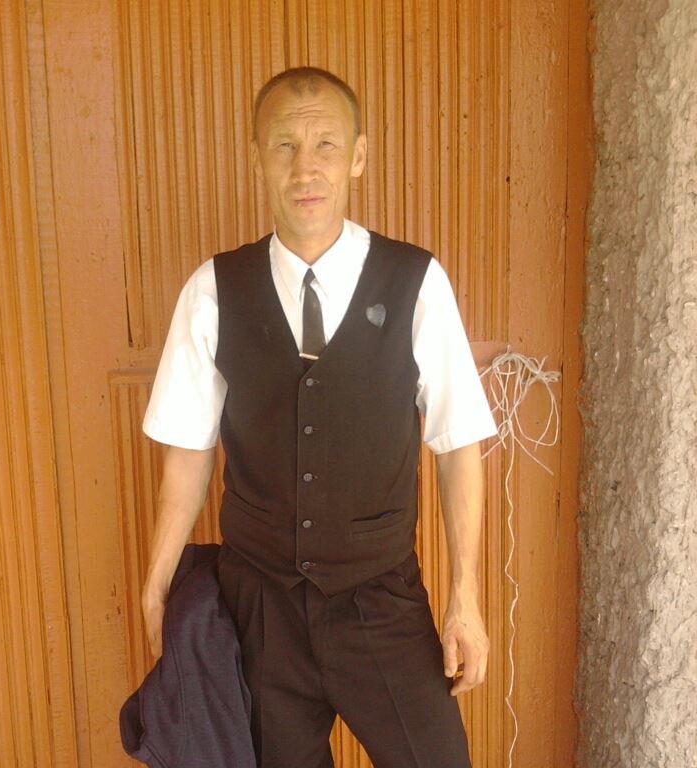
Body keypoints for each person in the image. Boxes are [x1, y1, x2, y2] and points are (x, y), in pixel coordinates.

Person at [141, 66, 497, 768]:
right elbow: (188, 449)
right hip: (261, 607)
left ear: (358, 156)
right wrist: (158, 581)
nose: (305, 168)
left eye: (326, 145)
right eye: (285, 145)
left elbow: (458, 445)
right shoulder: (213, 290)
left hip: (381, 599)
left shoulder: (416, 281)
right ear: (257, 159)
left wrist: (465, 596)